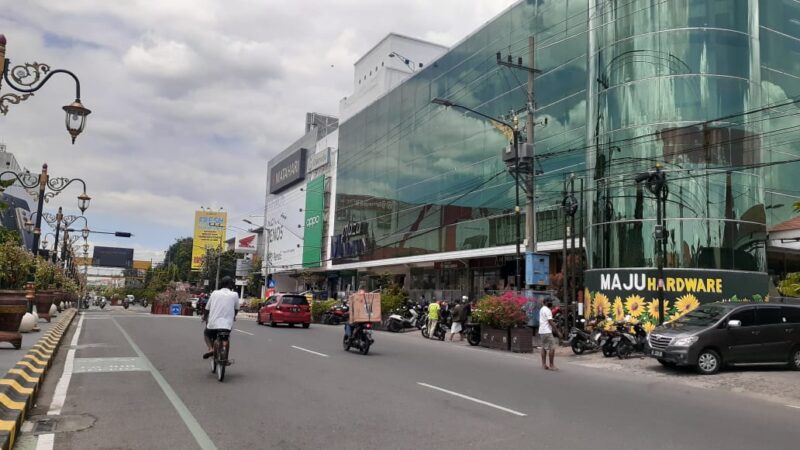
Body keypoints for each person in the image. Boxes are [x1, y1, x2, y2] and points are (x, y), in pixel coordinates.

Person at [202, 276, 240, 359]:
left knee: (206, 333)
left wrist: (204, 317)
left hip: (213, 324)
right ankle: (225, 358)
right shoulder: (235, 294)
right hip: (227, 325)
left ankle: (211, 349)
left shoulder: (214, 293)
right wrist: (233, 316)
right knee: (227, 337)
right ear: (231, 285)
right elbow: (236, 309)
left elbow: (207, 309)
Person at [539, 298, 560, 370]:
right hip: (547, 331)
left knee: (544, 347)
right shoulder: (547, 310)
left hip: (541, 331)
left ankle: (543, 364)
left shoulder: (542, 309)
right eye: (549, 301)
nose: (551, 303)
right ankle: (551, 365)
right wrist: (557, 331)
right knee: (552, 348)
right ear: (546, 302)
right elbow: (550, 321)